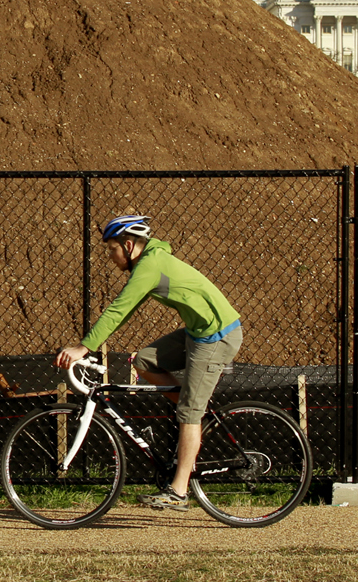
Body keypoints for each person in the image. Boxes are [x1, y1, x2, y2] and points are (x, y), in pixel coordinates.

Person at [54, 214, 242, 511]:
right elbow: (127, 311)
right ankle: (192, 407)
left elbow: (118, 310)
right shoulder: (149, 263)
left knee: (188, 414)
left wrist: (83, 347)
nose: (111, 256)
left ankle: (179, 492)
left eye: (112, 249)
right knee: (144, 361)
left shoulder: (150, 266)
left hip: (216, 336)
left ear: (128, 245)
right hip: (197, 333)